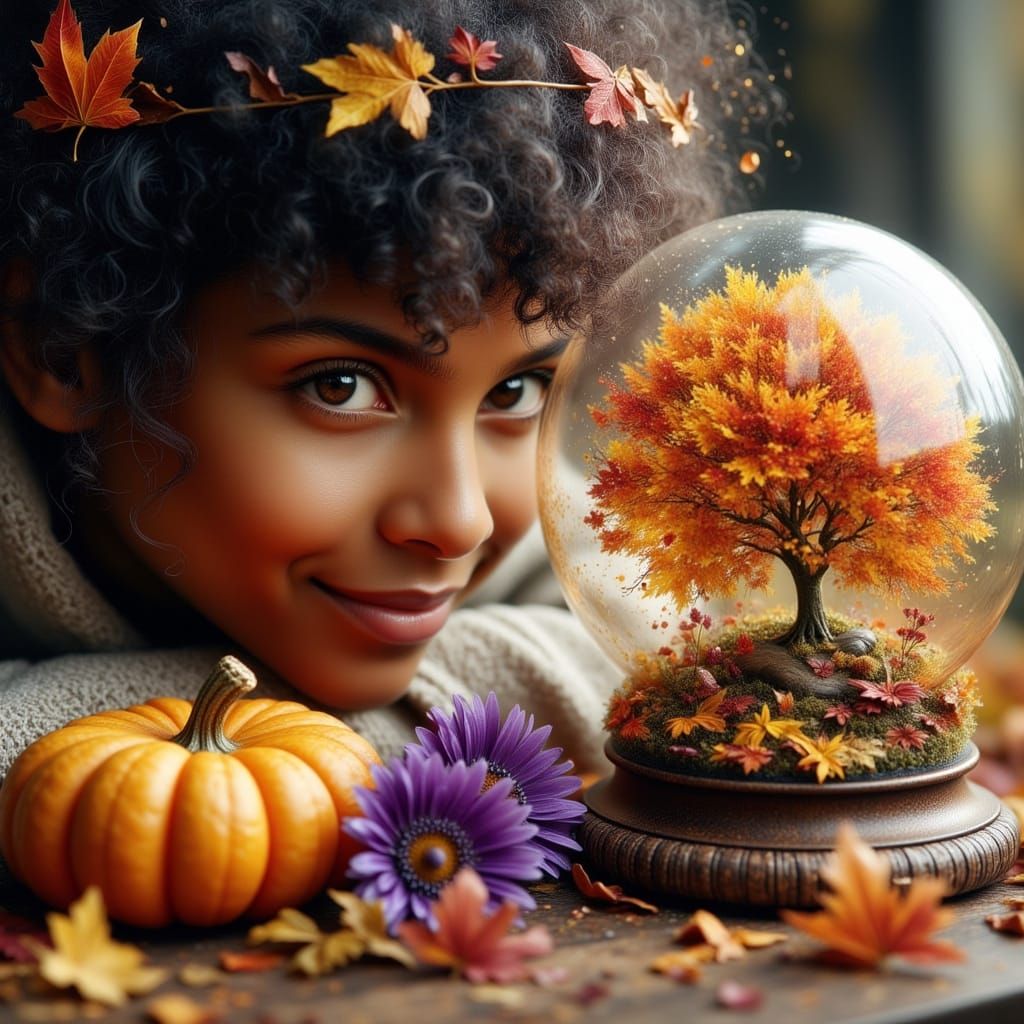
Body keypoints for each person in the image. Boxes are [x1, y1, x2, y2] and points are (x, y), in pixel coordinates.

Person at [0, 0, 770, 782]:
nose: (459, 521)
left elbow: (677, 649)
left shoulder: (500, 516)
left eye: (515, 393)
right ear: (62, 349)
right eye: (342, 387)